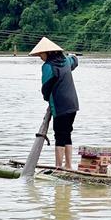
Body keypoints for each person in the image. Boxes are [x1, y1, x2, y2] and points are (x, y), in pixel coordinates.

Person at [29, 37, 79, 170]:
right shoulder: (65, 61)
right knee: (67, 133)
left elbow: (46, 87)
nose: (40, 57)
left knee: (59, 135)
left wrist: (47, 98)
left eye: (41, 54)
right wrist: (72, 55)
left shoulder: (48, 66)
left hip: (60, 105)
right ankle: (68, 166)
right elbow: (75, 60)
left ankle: (58, 167)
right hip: (72, 104)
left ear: (49, 53)